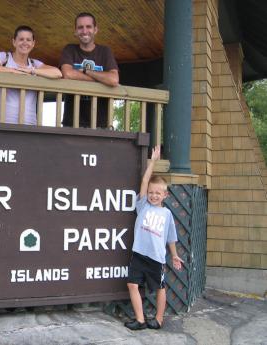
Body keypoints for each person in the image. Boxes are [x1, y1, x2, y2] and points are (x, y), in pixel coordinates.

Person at [124, 145, 184, 331]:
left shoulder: (166, 214)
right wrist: (153, 162)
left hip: (156, 258)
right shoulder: (143, 206)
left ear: (165, 195)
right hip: (139, 254)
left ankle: (158, 320)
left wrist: (173, 255)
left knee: (160, 288)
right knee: (132, 284)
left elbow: (171, 238)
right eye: (151, 192)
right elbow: (144, 181)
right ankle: (140, 320)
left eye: (158, 193)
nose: (153, 195)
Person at [0, 25, 62, 125]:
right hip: (0, 122)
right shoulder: (4, 57)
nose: (25, 43)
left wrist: (32, 71)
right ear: (14, 42)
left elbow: (57, 73)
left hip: (28, 123)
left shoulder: (34, 64)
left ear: (33, 43)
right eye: (21, 39)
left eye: (28, 40)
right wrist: (13, 71)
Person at [60, 12, 119, 128]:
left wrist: (86, 71)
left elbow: (113, 80)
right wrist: (101, 79)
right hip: (72, 122)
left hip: (101, 124)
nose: (84, 31)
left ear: (95, 30)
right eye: (80, 27)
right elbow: (67, 74)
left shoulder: (105, 51)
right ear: (75, 31)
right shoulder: (70, 49)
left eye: (88, 27)